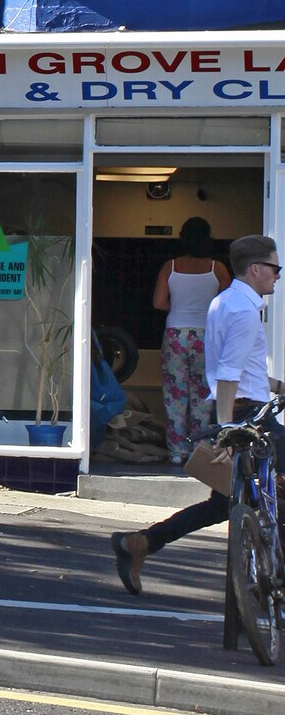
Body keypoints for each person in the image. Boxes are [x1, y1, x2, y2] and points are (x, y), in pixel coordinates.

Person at [112, 232, 283, 596]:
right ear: (256, 269)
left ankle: (141, 543)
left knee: (222, 504)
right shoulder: (242, 312)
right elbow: (228, 375)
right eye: (275, 267)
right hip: (247, 415)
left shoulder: (225, 303)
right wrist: (227, 430)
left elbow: (234, 366)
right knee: (246, 496)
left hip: (239, 407)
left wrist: (277, 386)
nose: (278, 275)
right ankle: (270, 567)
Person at [152, 217, 230, 466]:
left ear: (183, 238)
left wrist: (179, 308)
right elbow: (227, 305)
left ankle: (177, 451)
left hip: (175, 334)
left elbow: (158, 303)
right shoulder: (217, 268)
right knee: (203, 395)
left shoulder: (170, 266)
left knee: (175, 395)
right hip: (206, 336)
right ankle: (199, 449)